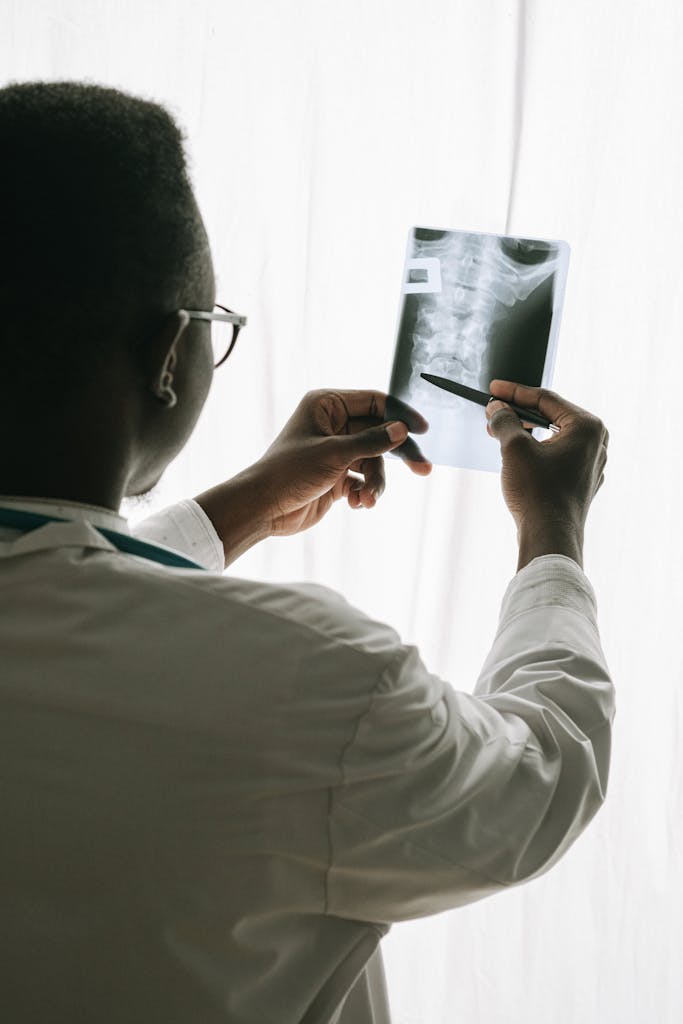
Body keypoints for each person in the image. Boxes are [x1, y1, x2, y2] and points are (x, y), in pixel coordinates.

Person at [0, 81, 613, 1024]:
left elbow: (57, 592)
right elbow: (539, 781)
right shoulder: (308, 681)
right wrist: (553, 534)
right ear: (169, 354)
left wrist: (239, 508)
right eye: (217, 327)